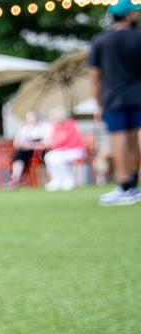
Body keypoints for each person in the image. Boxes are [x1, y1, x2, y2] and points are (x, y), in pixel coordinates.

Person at [89, 0, 141, 205]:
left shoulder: (101, 41)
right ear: (128, 16)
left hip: (113, 97)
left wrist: (98, 103)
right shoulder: (139, 38)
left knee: (119, 140)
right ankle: (135, 185)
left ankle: (124, 185)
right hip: (138, 95)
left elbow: (95, 76)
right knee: (135, 140)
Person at [43, 107, 86, 192]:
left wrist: (57, 144)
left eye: (54, 118)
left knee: (58, 158)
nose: (53, 120)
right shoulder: (55, 127)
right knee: (48, 156)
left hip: (76, 150)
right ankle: (57, 180)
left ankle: (68, 180)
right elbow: (53, 141)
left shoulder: (71, 124)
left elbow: (71, 141)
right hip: (62, 151)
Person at [7, 111, 51, 188]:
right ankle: (16, 177)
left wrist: (32, 145)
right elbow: (16, 143)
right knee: (19, 155)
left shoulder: (45, 127)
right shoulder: (25, 128)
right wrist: (24, 144)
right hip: (27, 152)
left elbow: (47, 143)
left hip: (42, 152)